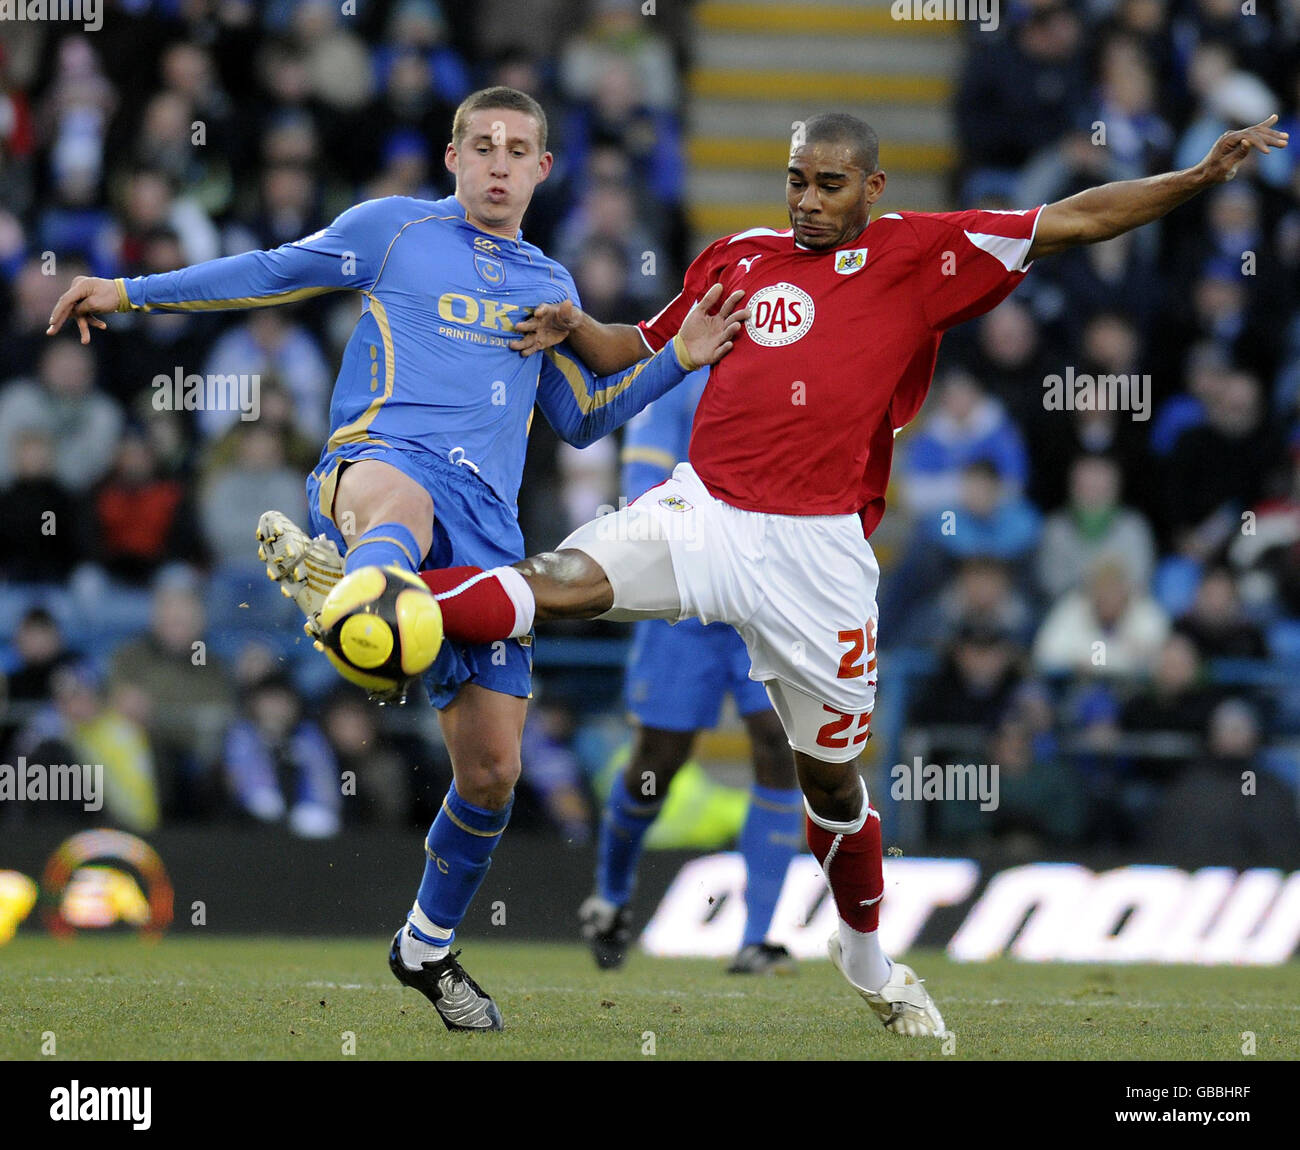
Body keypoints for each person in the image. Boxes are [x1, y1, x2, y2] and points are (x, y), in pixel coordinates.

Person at [371, 109, 1287, 1037]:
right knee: (554, 578)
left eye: (830, 184)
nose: (808, 202)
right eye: (797, 181)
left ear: (874, 187)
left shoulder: (921, 255)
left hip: (821, 558)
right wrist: (576, 326)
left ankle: (864, 953)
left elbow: (1074, 220)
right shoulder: (736, 257)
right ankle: (371, 596)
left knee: (833, 788)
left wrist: (1197, 178)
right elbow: (634, 351)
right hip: (709, 512)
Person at [44, 86, 746, 1034]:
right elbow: (270, 272)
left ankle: (424, 944)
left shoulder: (550, 286)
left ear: (544, 169)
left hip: (487, 527)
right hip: (376, 468)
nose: (499, 163)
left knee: (493, 772)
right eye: (482, 145)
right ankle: (364, 584)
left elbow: (584, 421)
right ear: (452, 158)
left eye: (519, 149)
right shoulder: (394, 231)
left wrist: (680, 357)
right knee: (402, 506)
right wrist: (130, 292)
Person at [579, 368, 803, 975]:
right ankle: (611, 895)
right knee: (659, 760)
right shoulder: (680, 377)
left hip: (763, 589)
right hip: (686, 592)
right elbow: (638, 481)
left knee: (781, 745)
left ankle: (758, 936)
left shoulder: (793, 366)